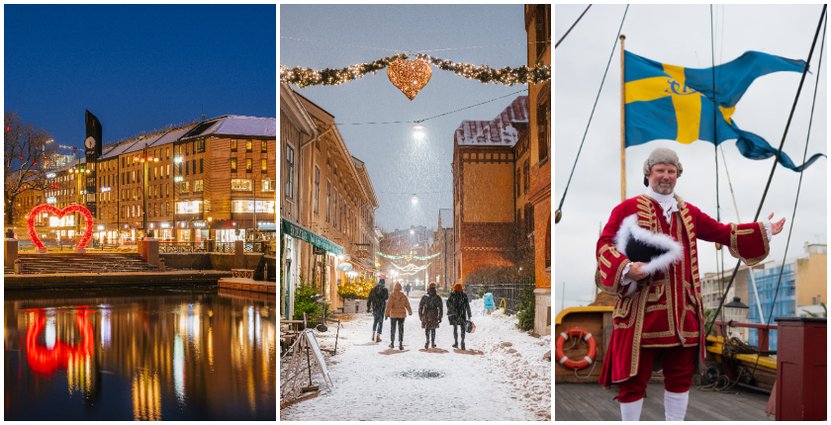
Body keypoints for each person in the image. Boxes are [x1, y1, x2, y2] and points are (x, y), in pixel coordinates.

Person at [595, 147, 784, 421]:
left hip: (684, 316)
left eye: (671, 171)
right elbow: (604, 244)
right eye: (660, 170)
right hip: (641, 315)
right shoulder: (628, 208)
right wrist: (626, 268)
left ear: (677, 175)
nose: (666, 176)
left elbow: (722, 232)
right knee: (633, 381)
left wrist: (763, 230)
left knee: (680, 379)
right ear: (648, 174)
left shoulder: (688, 212)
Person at [384, 282, 412, 350]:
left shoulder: (392, 295)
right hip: (402, 315)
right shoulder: (403, 296)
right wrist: (409, 311)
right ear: (400, 288)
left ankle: (392, 343)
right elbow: (407, 304)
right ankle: (400, 343)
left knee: (393, 329)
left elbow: (389, 305)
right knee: (401, 328)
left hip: (393, 314)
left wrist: (387, 314)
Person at [446, 283, 472, 350]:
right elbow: (467, 306)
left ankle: (456, 343)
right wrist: (469, 314)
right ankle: (462, 343)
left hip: (455, 314)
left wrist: (451, 309)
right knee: (462, 329)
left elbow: (448, 303)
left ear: (454, 288)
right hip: (462, 314)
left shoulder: (452, 295)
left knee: (455, 329)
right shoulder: (464, 295)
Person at [418, 283, 443, 349]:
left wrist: (420, 315)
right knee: (433, 329)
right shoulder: (437, 297)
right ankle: (432, 342)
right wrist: (440, 317)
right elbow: (440, 308)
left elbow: (420, 307)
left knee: (427, 328)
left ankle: (427, 341)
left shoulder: (425, 297)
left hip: (426, 314)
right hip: (434, 313)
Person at [367, 278, 389, 343]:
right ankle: (378, 336)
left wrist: (368, 308)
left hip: (375, 307)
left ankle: (373, 334)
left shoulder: (373, 289)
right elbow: (386, 297)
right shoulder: (385, 290)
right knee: (380, 322)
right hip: (381, 308)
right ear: (384, 283)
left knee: (375, 321)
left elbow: (369, 299)